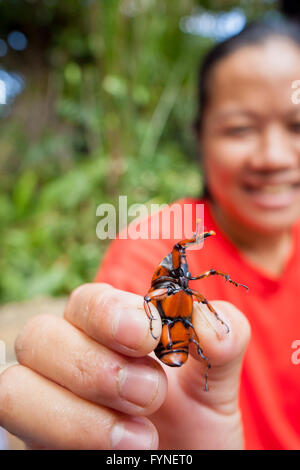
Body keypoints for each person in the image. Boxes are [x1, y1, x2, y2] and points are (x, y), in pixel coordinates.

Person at [0, 18, 300, 450]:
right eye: (240, 128)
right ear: (200, 139)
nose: (273, 156)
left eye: (296, 126)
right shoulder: (152, 247)